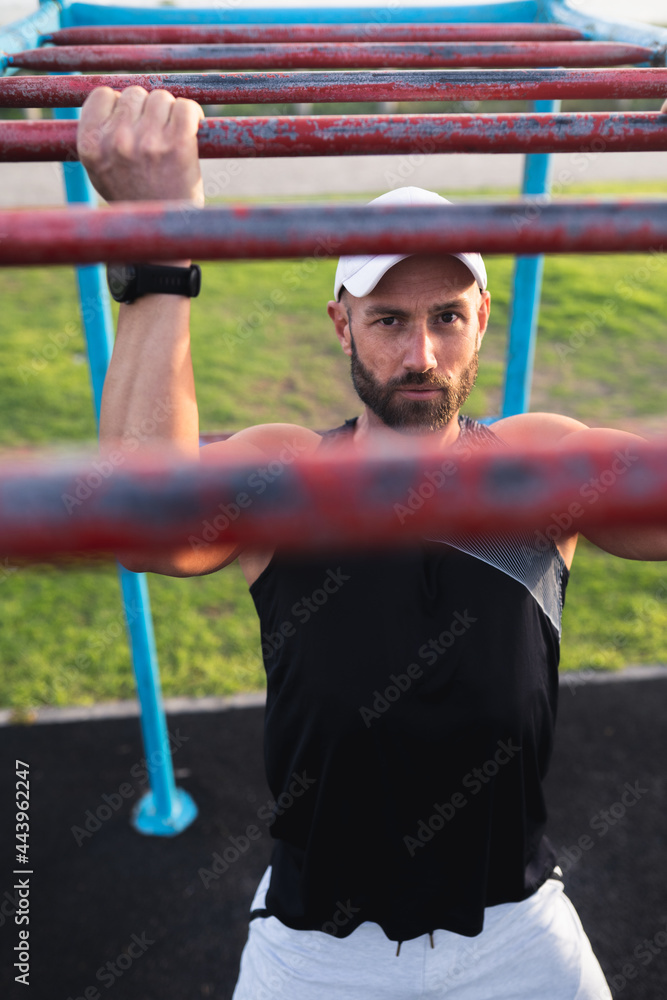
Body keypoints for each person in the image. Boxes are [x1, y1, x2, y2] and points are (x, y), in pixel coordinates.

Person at [77, 86, 667, 1000]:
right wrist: (160, 244)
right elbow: (140, 519)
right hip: (316, 951)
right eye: (389, 320)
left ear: (480, 323)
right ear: (341, 323)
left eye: (444, 318)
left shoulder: (540, 464)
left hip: (517, 927)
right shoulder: (288, 472)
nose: (421, 355)